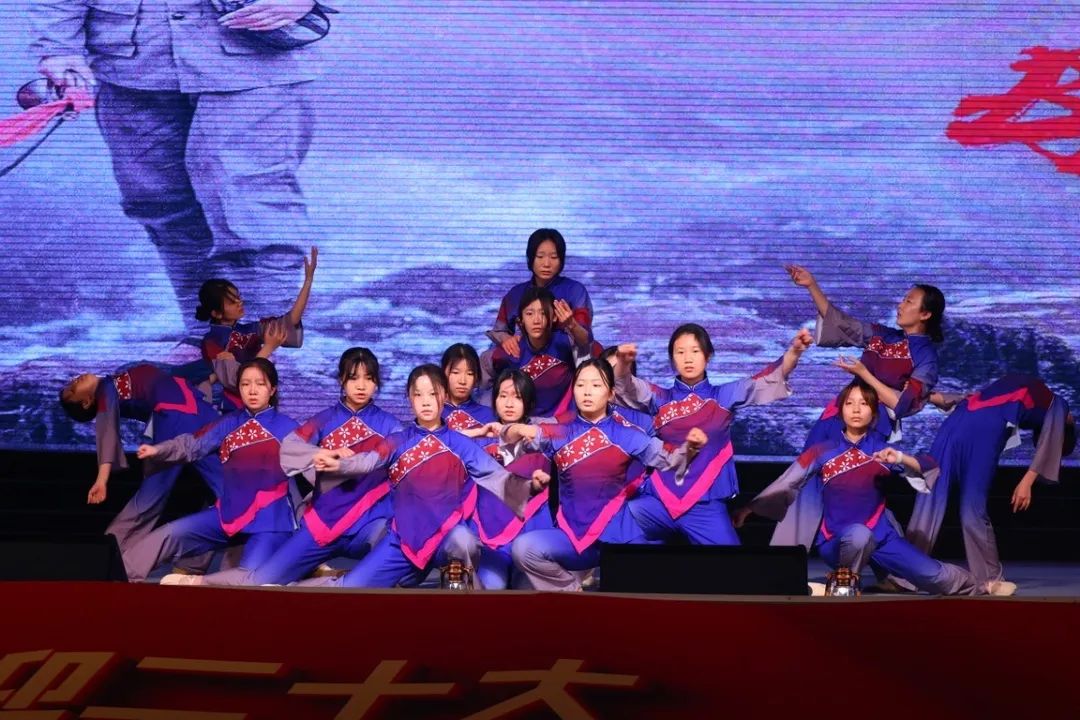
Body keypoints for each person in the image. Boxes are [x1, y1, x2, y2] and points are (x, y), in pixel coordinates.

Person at [29, 0, 327, 322]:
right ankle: (209, 332)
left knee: (249, 201)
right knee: (163, 204)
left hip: (253, 57)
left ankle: (258, 334)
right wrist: (56, 47)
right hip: (132, 65)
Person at [735, 379, 984, 596]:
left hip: (882, 538)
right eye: (849, 403)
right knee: (859, 535)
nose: (856, 409)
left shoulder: (882, 449)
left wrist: (900, 458)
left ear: (874, 413)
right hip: (836, 540)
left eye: (864, 404)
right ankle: (844, 590)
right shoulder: (822, 451)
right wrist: (749, 509)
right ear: (840, 410)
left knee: (936, 577)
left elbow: (928, 468)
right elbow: (787, 481)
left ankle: (982, 586)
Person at [301, 364, 539, 588]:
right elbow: (367, 461)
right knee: (351, 588)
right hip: (404, 538)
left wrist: (532, 486)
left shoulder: (460, 444)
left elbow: (495, 475)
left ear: (444, 396)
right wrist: (339, 464)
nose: (426, 401)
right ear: (409, 399)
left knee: (464, 541)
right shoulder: (397, 441)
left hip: (447, 535)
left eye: (432, 394)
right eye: (418, 395)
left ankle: (462, 598)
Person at [772, 265, 946, 547]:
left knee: (859, 492)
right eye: (903, 299)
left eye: (909, 301)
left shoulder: (925, 356)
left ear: (925, 314)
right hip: (835, 416)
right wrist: (811, 285)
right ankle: (785, 557)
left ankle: (890, 556)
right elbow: (842, 323)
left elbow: (904, 404)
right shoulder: (883, 335)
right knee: (806, 480)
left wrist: (864, 375)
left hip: (871, 425)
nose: (900, 305)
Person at [507, 359, 707, 592]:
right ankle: (573, 594)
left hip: (621, 536)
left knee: (652, 585)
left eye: (596, 385)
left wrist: (690, 449)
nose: (587, 392)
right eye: (581, 385)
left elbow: (670, 460)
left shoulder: (627, 435)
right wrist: (516, 429)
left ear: (611, 393)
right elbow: (513, 440)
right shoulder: (559, 430)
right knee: (524, 549)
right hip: (574, 538)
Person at [611, 325, 811, 545]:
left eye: (695, 351)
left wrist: (795, 351)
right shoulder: (659, 398)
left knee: (730, 563)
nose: (688, 358)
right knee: (615, 527)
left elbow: (768, 378)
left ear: (708, 356)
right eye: (680, 352)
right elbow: (625, 386)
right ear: (673, 359)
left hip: (706, 505)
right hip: (659, 500)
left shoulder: (723, 396)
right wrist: (623, 363)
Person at [125, 358, 299, 582]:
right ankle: (118, 574)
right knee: (168, 535)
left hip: (270, 521)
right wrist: (158, 449)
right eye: (245, 384)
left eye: (260, 384)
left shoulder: (288, 428)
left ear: (272, 389)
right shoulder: (229, 422)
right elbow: (192, 445)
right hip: (228, 513)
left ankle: (197, 583)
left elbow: (314, 465)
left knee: (250, 580)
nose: (252, 390)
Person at [904, 376, 1075, 594]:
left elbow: (975, 398)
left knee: (930, 494)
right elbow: (1050, 440)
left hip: (957, 420)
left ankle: (904, 574)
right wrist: (1027, 482)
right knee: (972, 507)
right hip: (985, 427)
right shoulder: (1058, 403)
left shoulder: (1029, 388)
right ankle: (989, 579)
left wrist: (931, 397)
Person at [59, 362, 222, 562]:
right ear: (86, 402)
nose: (75, 381)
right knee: (152, 494)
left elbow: (168, 378)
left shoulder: (114, 383)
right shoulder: (105, 390)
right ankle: (108, 552)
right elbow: (106, 431)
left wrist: (213, 369)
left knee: (228, 488)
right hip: (175, 418)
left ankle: (200, 563)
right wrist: (102, 479)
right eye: (72, 390)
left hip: (196, 410)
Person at [487, 228, 595, 358]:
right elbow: (499, 330)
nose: (546, 264)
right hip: (523, 359)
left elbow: (585, 340)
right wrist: (506, 339)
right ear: (530, 258)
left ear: (561, 260)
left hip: (564, 359)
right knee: (488, 356)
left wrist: (571, 324)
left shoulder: (575, 291)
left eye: (554, 257)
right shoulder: (515, 294)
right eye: (540, 256)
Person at [487, 287, 591, 416]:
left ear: (554, 317)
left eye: (543, 313)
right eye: (529, 314)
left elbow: (585, 342)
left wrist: (572, 324)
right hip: (523, 422)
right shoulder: (511, 351)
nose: (536, 320)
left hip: (563, 421)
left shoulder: (565, 343)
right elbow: (485, 372)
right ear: (520, 320)